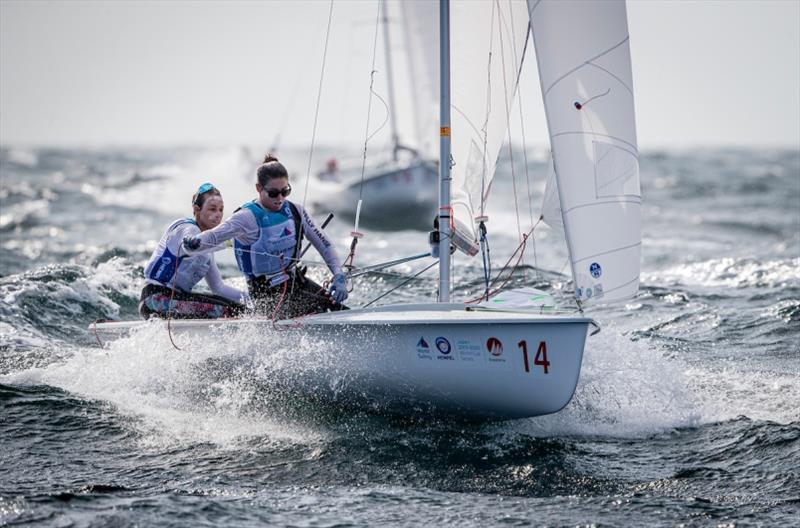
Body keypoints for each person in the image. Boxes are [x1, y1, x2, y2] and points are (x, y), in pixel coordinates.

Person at [182, 155, 348, 319]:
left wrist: (338, 275)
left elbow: (324, 244)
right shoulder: (245, 217)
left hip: (297, 282)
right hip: (265, 294)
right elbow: (213, 236)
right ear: (258, 188)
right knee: (315, 316)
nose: (280, 198)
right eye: (274, 193)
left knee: (341, 313)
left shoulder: (297, 211)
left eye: (285, 191)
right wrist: (194, 242)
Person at [139, 183, 249, 319]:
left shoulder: (208, 249)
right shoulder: (187, 228)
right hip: (156, 300)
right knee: (233, 311)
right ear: (197, 209)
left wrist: (250, 298)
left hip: (175, 300)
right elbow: (189, 248)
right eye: (212, 209)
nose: (218, 215)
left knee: (240, 308)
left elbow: (219, 288)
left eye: (221, 210)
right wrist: (229, 241)